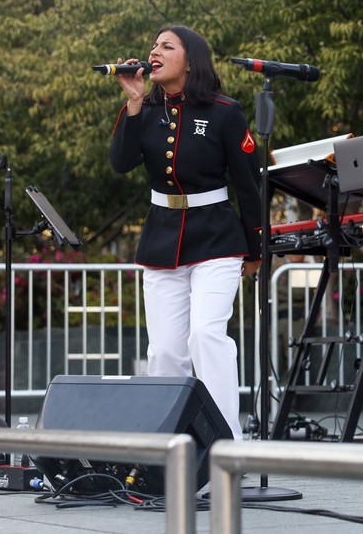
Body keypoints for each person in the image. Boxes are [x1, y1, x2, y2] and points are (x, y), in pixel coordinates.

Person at [108, 25, 262, 440]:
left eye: (166, 46)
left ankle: (227, 446)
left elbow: (248, 184)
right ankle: (169, 445)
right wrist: (134, 103)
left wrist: (257, 247)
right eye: (153, 46)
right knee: (164, 351)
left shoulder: (225, 111)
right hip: (162, 239)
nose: (153, 52)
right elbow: (121, 163)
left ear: (190, 61)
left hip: (217, 237)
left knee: (207, 336)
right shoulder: (147, 109)